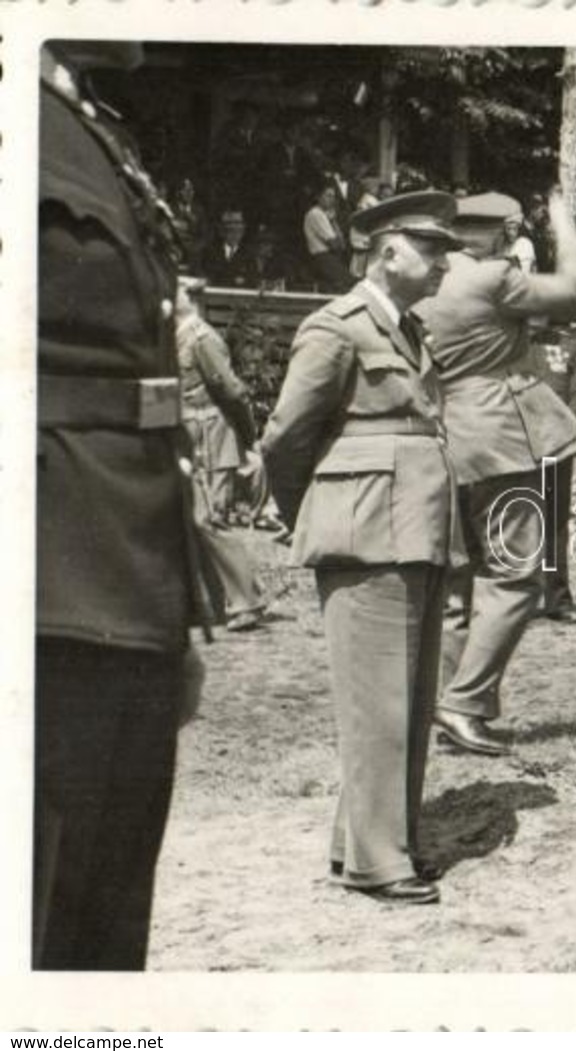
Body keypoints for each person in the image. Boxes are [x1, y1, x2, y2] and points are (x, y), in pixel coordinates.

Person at [35, 40, 206, 970]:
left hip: (120, 579)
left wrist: (167, 613)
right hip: (43, 585)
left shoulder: (88, 124)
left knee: (96, 940)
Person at [262, 191, 464, 905]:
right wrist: (316, 512)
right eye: (431, 249)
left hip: (416, 524)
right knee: (376, 702)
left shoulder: (409, 329)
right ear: (386, 252)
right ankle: (382, 862)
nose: (444, 263)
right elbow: (286, 437)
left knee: (407, 699)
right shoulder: (336, 326)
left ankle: (373, 848)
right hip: (366, 529)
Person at [413, 190, 576, 757]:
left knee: (457, 587)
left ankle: (449, 705)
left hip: (445, 437)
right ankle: (463, 703)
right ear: (499, 230)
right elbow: (575, 292)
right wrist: (569, 234)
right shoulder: (490, 278)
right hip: (501, 440)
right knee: (516, 576)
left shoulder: (424, 283)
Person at [175, 276, 268, 632]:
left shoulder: (202, 338)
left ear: (192, 299)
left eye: (177, 290)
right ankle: (210, 601)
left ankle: (247, 600)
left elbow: (231, 392)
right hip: (187, 435)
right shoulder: (174, 336)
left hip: (210, 436)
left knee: (210, 519)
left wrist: (248, 438)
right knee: (190, 519)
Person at [533, 312, 576, 624]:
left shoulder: (572, 348)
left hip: (554, 448)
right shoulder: (503, 345)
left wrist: (561, 438)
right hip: (510, 447)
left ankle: (557, 597)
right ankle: (512, 600)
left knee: (553, 522)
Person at [303, 185, 349, 293]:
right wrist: (338, 242)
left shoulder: (326, 215)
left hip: (330, 258)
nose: (331, 200)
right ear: (319, 197)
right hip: (321, 259)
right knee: (346, 286)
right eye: (328, 196)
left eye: (333, 197)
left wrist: (333, 222)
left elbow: (342, 245)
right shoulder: (315, 214)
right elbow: (335, 244)